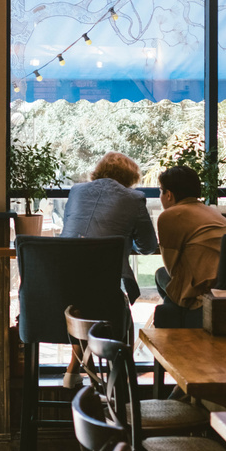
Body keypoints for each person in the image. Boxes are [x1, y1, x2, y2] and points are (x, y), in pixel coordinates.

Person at [58, 152, 158, 388]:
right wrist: (125, 239)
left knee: (81, 304)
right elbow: (148, 246)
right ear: (130, 177)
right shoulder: (134, 199)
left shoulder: (76, 191)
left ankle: (79, 368)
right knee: (119, 312)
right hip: (104, 287)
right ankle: (119, 384)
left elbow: (73, 227)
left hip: (61, 283)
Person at [155, 164, 226, 310]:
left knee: (160, 274)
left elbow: (171, 270)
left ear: (169, 195)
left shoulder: (170, 216)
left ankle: (175, 317)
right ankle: (174, 315)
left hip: (201, 293)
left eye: (161, 191)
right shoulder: (213, 212)